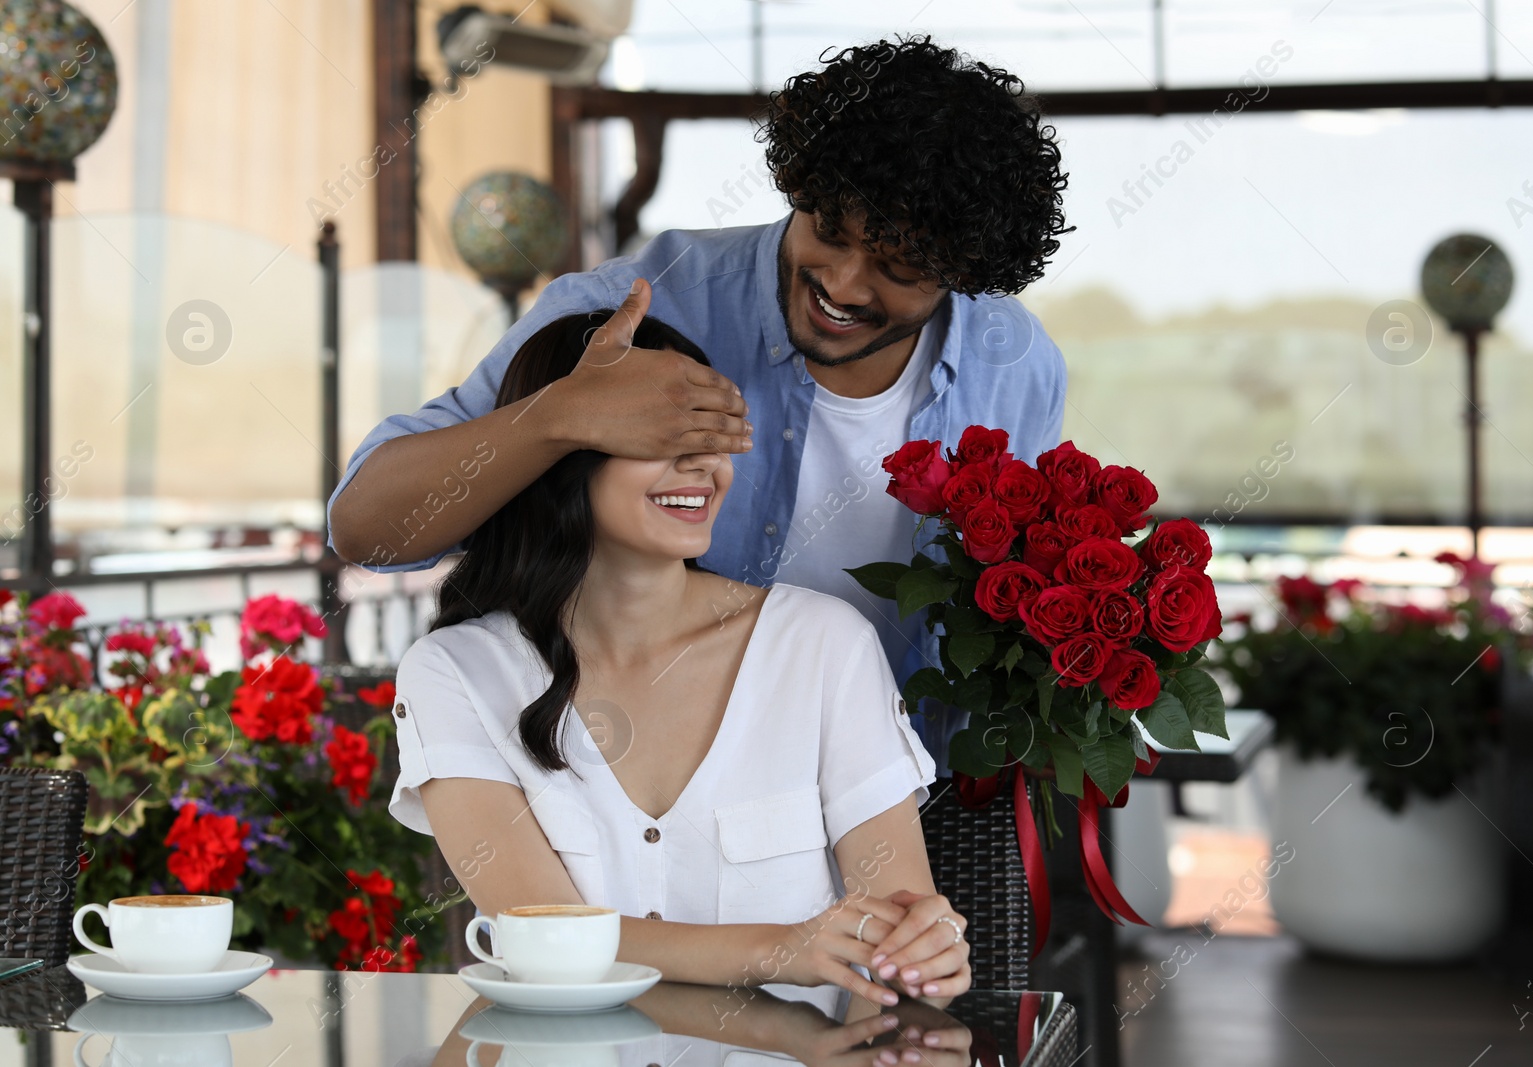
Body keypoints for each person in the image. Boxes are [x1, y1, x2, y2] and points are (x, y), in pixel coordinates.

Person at [328, 35, 1072, 769]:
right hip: (653, 796)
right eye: (829, 230)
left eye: (899, 266)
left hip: (919, 799)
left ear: (966, 270)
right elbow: (365, 526)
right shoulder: (633, 307)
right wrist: (558, 415)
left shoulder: (1013, 367)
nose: (843, 284)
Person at [389, 311, 973, 1009]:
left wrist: (922, 948)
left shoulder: (824, 644)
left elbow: (898, 928)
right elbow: (536, 935)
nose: (704, 466)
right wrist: (781, 949)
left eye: (713, 438)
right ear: (559, 449)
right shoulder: (454, 672)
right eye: (668, 435)